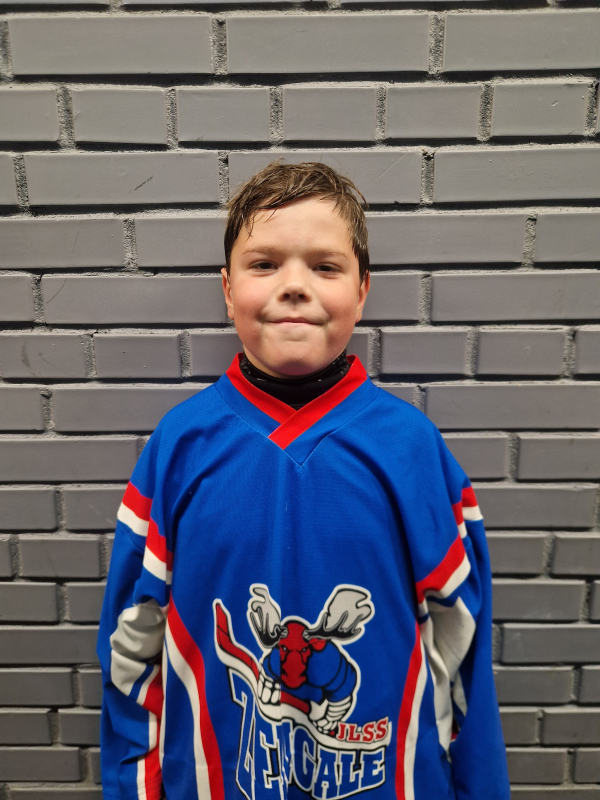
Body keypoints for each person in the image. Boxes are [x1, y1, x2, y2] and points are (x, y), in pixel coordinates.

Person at [98, 161, 510, 800]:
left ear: (362, 289)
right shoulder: (178, 448)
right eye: (264, 264)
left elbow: (464, 651)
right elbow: (132, 650)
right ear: (228, 288)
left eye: (325, 266)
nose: (294, 286)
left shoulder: (413, 450)